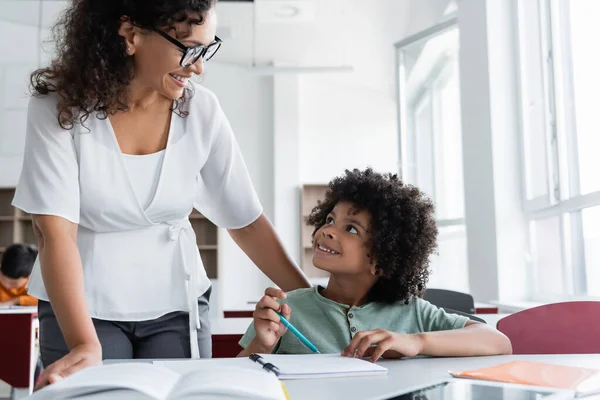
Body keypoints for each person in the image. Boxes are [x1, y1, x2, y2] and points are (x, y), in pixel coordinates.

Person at [12, 0, 310, 389]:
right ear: (130, 34)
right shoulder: (59, 106)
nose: (199, 66)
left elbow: (247, 221)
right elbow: (54, 234)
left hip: (177, 302)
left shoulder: (201, 110)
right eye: (188, 47)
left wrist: (315, 305)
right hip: (82, 305)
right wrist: (84, 342)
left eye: (207, 48)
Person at [238, 168, 512, 360]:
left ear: (383, 260)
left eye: (352, 229)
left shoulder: (413, 314)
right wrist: (262, 343)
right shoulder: (288, 309)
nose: (329, 231)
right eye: (330, 220)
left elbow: (498, 341)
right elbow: (234, 378)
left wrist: (415, 341)